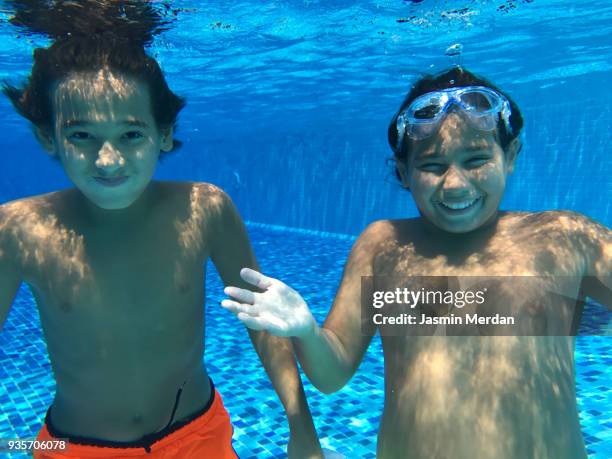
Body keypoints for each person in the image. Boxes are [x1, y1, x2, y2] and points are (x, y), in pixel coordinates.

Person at [223, 66, 611, 458]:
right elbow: (333, 372)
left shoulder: (564, 236)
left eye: (475, 159)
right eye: (432, 166)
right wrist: (305, 331)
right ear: (403, 172)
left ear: (509, 156)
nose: (456, 184)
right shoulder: (383, 244)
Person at [0, 1, 322, 458]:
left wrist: (301, 428)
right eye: (81, 136)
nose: (107, 160)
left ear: (163, 134)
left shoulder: (205, 208)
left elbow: (263, 322)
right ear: (48, 137)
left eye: (130, 134)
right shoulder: (17, 229)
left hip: (198, 437)